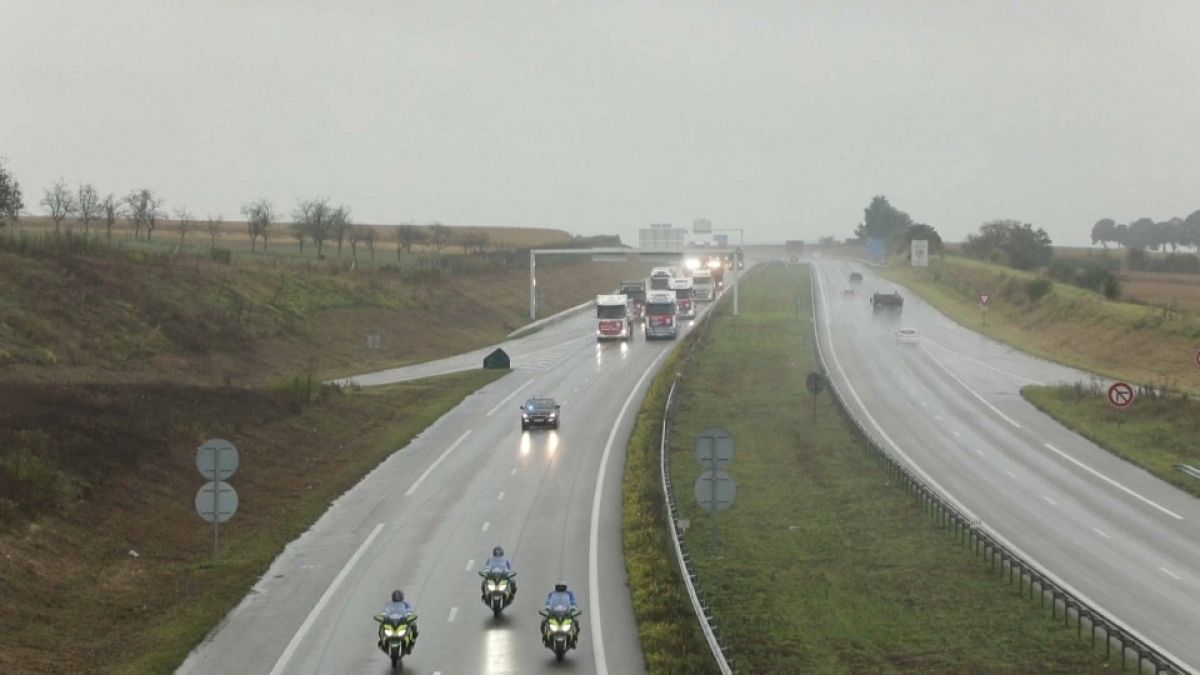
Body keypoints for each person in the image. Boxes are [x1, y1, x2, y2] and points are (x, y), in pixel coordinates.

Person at [377, 590, 418, 654]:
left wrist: (408, 616)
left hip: (402, 621)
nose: (397, 598)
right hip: (392, 621)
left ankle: (411, 640)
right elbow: (385, 611)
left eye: (398, 596)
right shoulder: (389, 604)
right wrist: (383, 616)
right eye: (396, 596)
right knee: (381, 625)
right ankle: (381, 640)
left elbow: (409, 610)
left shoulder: (405, 604)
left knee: (413, 624)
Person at [542, 581, 579, 648]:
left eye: (562, 587)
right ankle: (545, 637)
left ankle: (574, 638)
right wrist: (548, 609)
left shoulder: (569, 594)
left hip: (566, 614)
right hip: (554, 614)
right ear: (556, 587)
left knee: (576, 622)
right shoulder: (552, 594)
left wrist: (573, 609)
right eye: (559, 587)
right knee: (543, 621)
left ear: (565, 587)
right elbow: (548, 601)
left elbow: (573, 601)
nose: (560, 588)